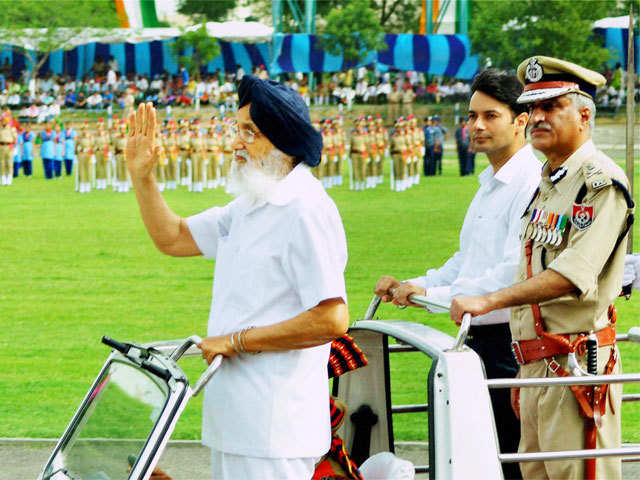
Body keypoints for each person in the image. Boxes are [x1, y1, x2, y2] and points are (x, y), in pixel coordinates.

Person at [125, 75, 349, 480]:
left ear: (283, 140)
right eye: (237, 129)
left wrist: (236, 341)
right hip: (237, 419)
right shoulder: (251, 203)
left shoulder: (305, 208)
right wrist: (143, 177)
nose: (235, 143)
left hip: (276, 426)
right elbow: (172, 238)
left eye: (251, 132)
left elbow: (331, 319)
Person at [450, 56, 632, 480]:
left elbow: (572, 274)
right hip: (533, 365)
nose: (538, 118)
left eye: (552, 107)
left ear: (584, 115)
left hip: (575, 364)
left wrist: (489, 300)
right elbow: (528, 262)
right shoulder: (550, 181)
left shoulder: (598, 181)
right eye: (533, 108)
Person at [375, 68, 541, 480]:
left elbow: (510, 274)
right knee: (473, 458)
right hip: (476, 338)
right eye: (471, 116)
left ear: (521, 121)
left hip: (507, 344)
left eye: (490, 116)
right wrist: (417, 285)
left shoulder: (528, 183)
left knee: (504, 459)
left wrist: (436, 294)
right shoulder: (491, 182)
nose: (477, 126)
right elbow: (466, 261)